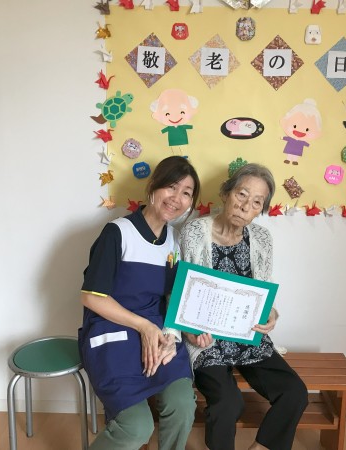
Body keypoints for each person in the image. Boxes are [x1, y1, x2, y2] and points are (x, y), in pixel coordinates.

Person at [180, 163, 309, 450]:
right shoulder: (194, 232)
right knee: (228, 402)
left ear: (260, 209)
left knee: (295, 392)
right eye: (241, 194)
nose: (245, 206)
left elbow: (264, 290)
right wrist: (190, 332)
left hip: (247, 335)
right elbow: (180, 290)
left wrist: (271, 315)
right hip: (207, 340)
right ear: (226, 193)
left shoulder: (261, 238)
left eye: (256, 202)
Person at [79, 156, 201, 450]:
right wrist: (143, 326)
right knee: (136, 427)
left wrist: (176, 334)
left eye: (186, 192)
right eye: (171, 187)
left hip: (158, 333)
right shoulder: (118, 232)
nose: (177, 198)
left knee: (183, 405)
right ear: (153, 186)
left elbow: (173, 297)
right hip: (112, 331)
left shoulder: (173, 241)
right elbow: (91, 296)